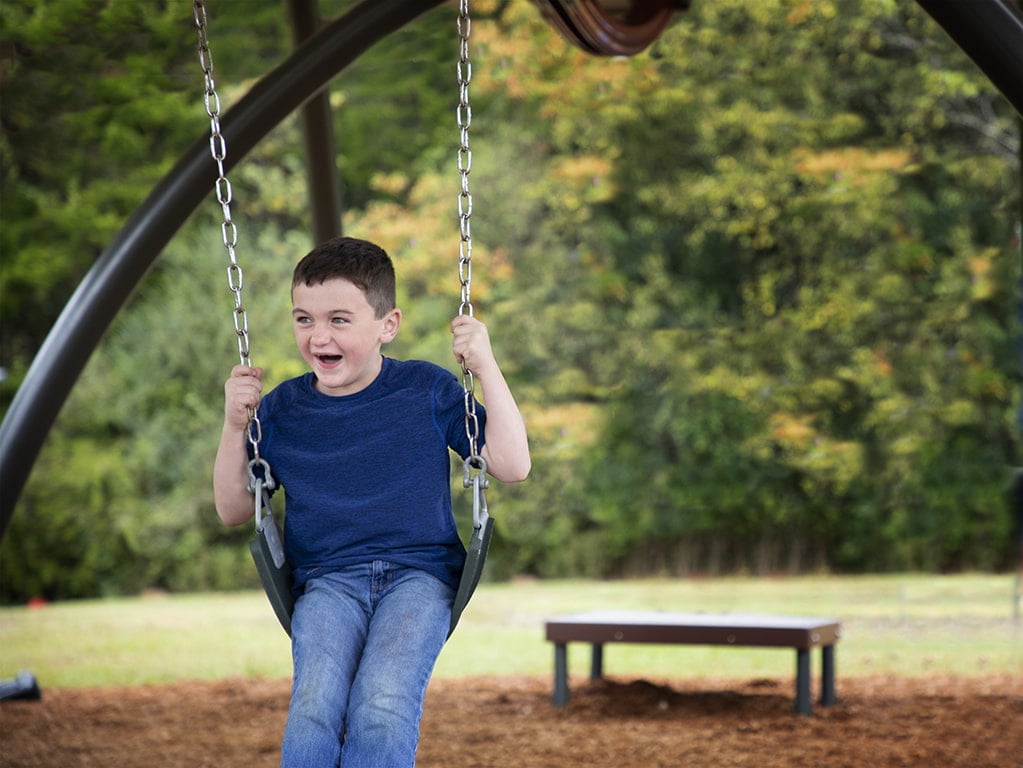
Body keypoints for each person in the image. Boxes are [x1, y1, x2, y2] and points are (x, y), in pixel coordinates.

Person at [213, 236, 530, 768]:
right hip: (327, 582)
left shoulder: (425, 390)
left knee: (382, 706)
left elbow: (513, 464)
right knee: (315, 707)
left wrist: (487, 366)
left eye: (339, 320)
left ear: (388, 324)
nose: (318, 336)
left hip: (419, 578)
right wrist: (233, 424)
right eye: (304, 319)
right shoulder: (283, 410)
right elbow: (233, 509)